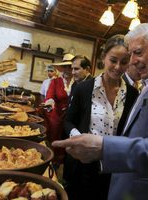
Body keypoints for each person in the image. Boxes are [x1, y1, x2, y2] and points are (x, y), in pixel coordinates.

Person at [52, 23, 148, 200]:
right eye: (113, 60)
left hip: (113, 166)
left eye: (124, 62)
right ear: (104, 58)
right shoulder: (83, 88)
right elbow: (68, 120)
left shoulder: (134, 93)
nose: (118, 67)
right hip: (83, 164)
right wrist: (77, 138)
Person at [44, 53, 74, 164]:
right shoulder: (55, 82)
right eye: (65, 67)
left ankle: (65, 164)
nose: (67, 70)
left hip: (71, 117)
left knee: (69, 140)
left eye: (70, 67)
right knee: (56, 138)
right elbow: (50, 96)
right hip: (57, 116)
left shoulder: (78, 83)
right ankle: (53, 162)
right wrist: (50, 102)